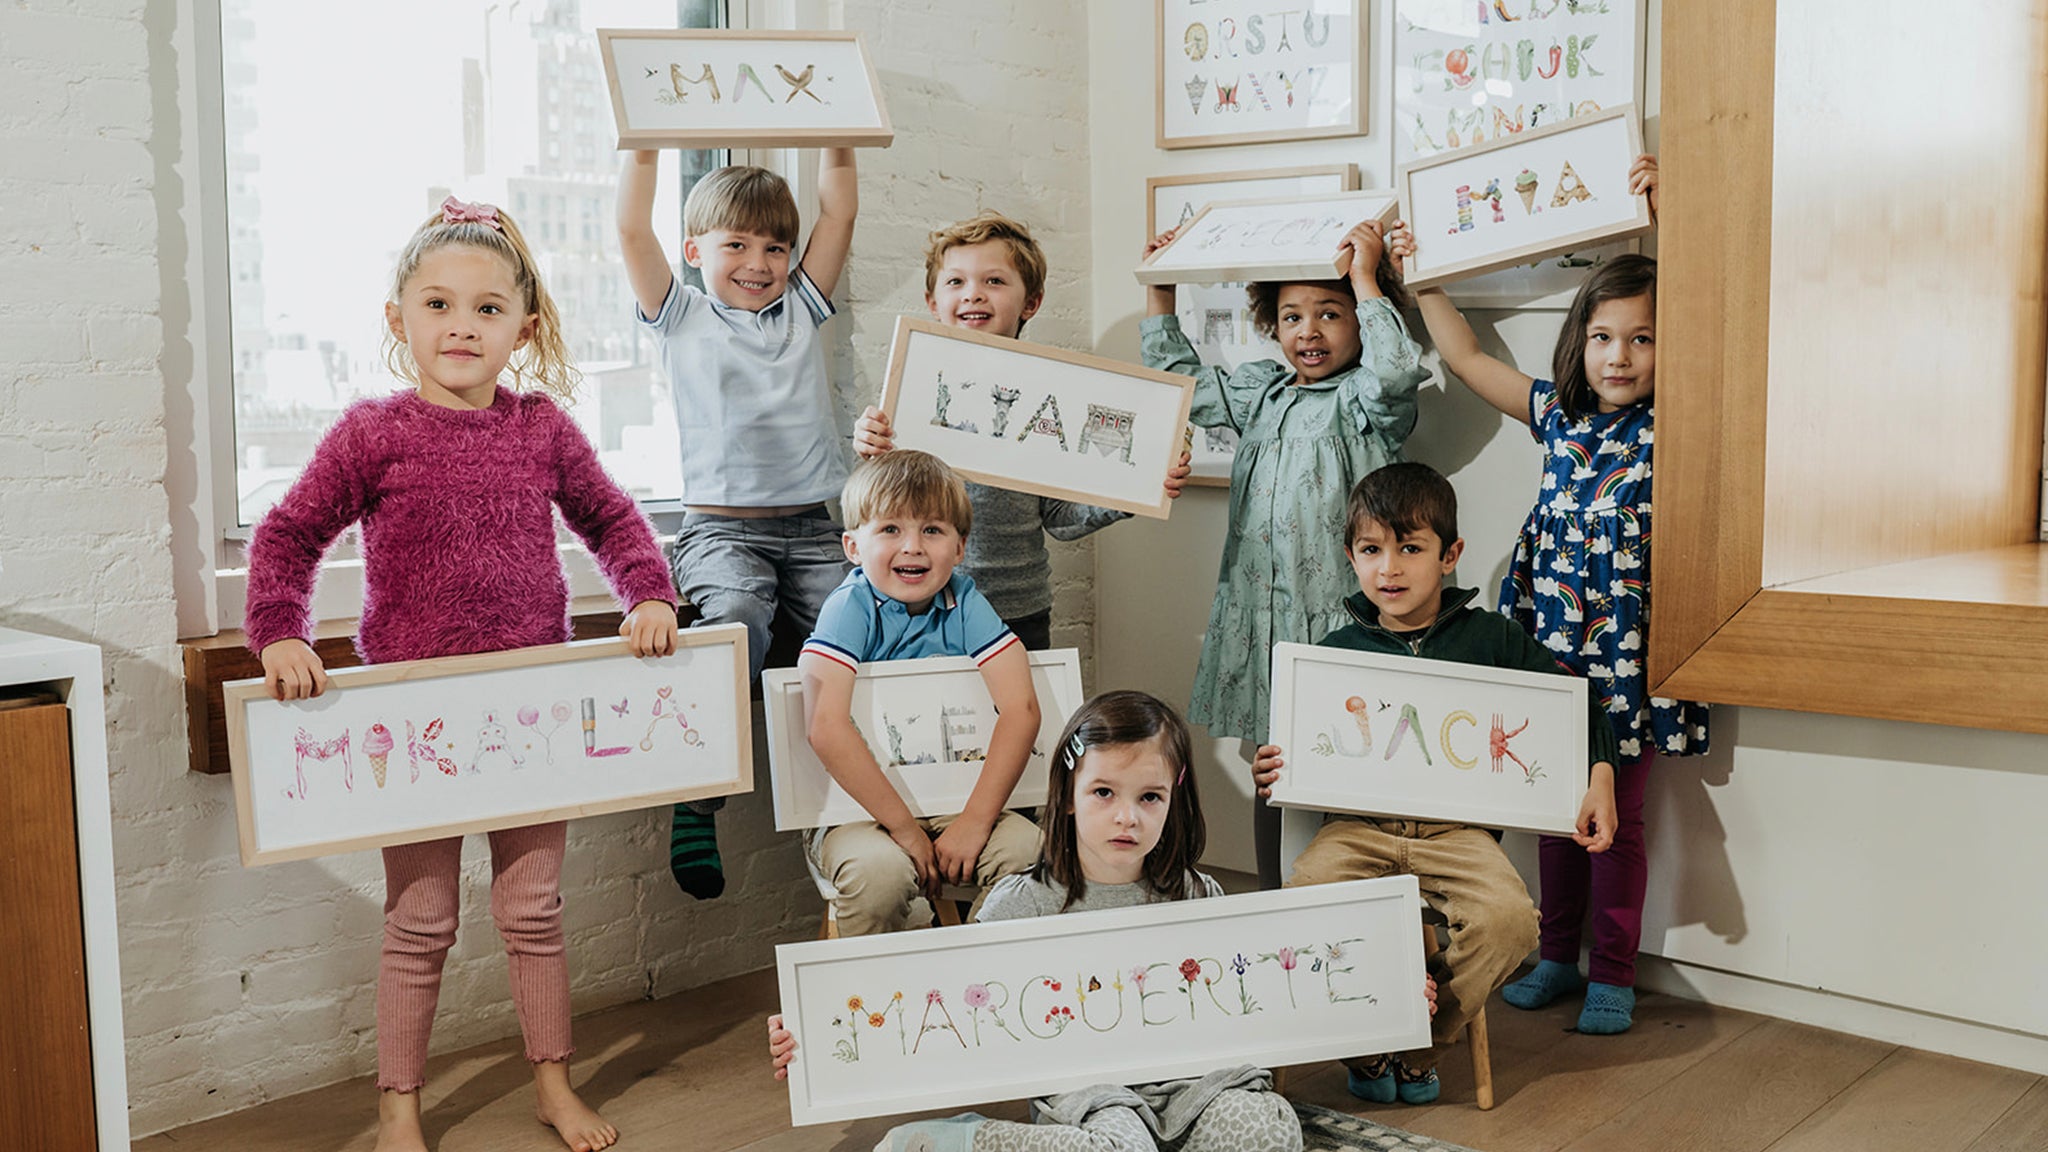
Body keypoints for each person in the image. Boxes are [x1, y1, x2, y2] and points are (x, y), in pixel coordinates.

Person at [245, 196, 679, 1152]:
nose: (462, 327)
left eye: (487, 309)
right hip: (419, 721)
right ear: (400, 319)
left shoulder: (542, 429)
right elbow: (286, 536)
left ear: (523, 326)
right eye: (438, 305)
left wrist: (650, 592)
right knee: (421, 919)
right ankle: (398, 1107)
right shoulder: (371, 435)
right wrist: (281, 632)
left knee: (532, 909)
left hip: (528, 711)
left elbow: (612, 519)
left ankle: (553, 1089)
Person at [772, 691, 1407, 1151]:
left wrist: (1384, 992)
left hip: (1202, 1084)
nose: (1127, 818)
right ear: (1069, 798)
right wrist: (813, 1036)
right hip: (1094, 1098)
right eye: (1104, 793)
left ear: (1174, 799)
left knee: (1271, 1127)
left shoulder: (1199, 894)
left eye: (1149, 797)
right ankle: (964, 1141)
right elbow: (940, 1008)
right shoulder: (1023, 903)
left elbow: (1276, 989)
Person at [1384, 156, 1703, 1035]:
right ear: (1579, 343)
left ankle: (1614, 970)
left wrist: (1677, 221)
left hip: (1630, 656)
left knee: (1618, 819)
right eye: (1604, 337)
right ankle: (1553, 953)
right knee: (1551, 809)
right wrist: (1426, 271)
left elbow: (1725, 322)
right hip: (1549, 649)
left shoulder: (1675, 424)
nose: (1620, 355)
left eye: (1642, 337)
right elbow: (1464, 353)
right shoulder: (1558, 417)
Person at [1252, 462, 1618, 1104]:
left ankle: (1420, 1045)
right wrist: (1273, 765)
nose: (1388, 569)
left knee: (1509, 922)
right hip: (1358, 830)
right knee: (1307, 899)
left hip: (1458, 835)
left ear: (1449, 555)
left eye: (1410, 549)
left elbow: (1579, 706)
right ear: (1351, 557)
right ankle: (1366, 1046)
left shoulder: (1495, 640)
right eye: (1371, 551)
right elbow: (1300, 746)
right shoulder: (1336, 651)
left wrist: (1602, 777)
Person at [1139, 217, 1430, 890]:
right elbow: (1178, 385)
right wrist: (1161, 288)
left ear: (1359, 321)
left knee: (1347, 769)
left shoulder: (1365, 401)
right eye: (1293, 316)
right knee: (1274, 770)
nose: (1310, 331)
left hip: (1338, 624)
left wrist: (1365, 276)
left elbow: (1395, 372)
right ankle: (1277, 907)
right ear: (1272, 325)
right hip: (1262, 622)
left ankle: (1351, 913)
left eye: (1330, 314)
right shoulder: (1262, 393)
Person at [617, 147, 859, 903]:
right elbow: (630, 230)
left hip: (815, 529)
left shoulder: (802, 308)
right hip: (722, 531)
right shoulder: (682, 314)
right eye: (737, 245)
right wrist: (644, 148)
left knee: (860, 628)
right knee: (737, 620)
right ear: (695, 252)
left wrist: (839, 140)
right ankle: (697, 794)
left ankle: (861, 798)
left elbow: (839, 210)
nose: (759, 262)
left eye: (775, 247)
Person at [849, 211, 1191, 648]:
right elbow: (873, 505)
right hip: (913, 604)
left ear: (1031, 302)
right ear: (933, 302)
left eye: (994, 281)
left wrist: (1136, 487)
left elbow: (1060, 521)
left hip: (1014, 610)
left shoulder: (1051, 395)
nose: (973, 295)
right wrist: (870, 450)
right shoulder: (907, 385)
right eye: (956, 282)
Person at [798, 449, 1043, 935]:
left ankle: (972, 983)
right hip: (858, 814)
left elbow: (1022, 709)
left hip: (957, 801)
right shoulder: (849, 607)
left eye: (932, 530)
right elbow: (825, 726)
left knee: (1033, 856)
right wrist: (906, 831)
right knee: (878, 875)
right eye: (890, 529)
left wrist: (975, 821)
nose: (912, 546)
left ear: (960, 547)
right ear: (852, 546)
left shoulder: (965, 600)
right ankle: (860, 1004)